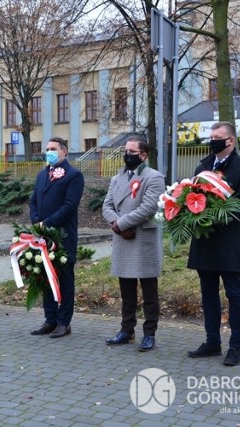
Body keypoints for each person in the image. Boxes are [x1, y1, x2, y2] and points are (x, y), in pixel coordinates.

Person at [187, 121, 240, 366]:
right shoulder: (203, 166)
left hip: (229, 242)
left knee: (234, 293)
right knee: (208, 293)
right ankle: (212, 342)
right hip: (205, 241)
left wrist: (216, 213)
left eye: (217, 137)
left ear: (230, 141)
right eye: (211, 136)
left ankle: (235, 346)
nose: (212, 140)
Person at [102, 138, 165, 351]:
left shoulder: (154, 177)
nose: (127, 154)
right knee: (126, 291)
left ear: (143, 155)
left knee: (149, 292)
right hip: (123, 238)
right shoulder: (117, 178)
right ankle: (126, 330)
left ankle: (150, 334)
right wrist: (117, 225)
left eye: (131, 151)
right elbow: (107, 205)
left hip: (143, 239)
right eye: (125, 150)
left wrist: (121, 223)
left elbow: (148, 207)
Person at [29, 136, 84, 338]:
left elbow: (69, 206)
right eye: (47, 148)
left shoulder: (74, 175)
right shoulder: (43, 174)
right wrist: (36, 222)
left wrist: (48, 223)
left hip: (63, 236)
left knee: (64, 280)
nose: (48, 152)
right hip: (43, 237)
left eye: (53, 148)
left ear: (64, 152)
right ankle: (50, 319)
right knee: (46, 279)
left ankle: (64, 322)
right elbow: (33, 200)